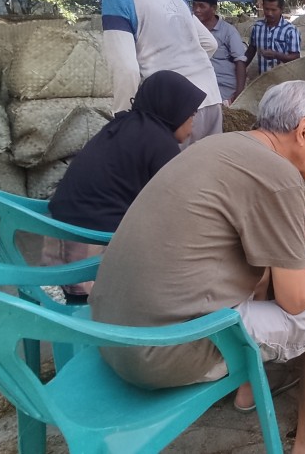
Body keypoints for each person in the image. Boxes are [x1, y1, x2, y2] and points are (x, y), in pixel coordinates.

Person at [91, 81, 305, 454]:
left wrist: (299, 235)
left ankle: (248, 389)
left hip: (111, 331)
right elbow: (295, 300)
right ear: (303, 129)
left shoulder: (222, 145)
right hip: (160, 352)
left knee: (261, 265)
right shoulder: (280, 176)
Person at [45, 71, 205, 303]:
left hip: (57, 233)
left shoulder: (123, 124)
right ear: (174, 109)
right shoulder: (160, 143)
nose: (193, 122)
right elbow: (178, 208)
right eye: (191, 114)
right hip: (92, 245)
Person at [78, 0, 222, 141]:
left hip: (173, 112)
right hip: (211, 99)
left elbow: (126, 70)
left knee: (170, 165)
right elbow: (210, 43)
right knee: (209, 163)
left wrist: (123, 120)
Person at [192, 0, 247, 104]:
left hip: (224, 91)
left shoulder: (228, 31)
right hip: (198, 88)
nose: (196, 10)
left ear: (213, 8)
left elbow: (240, 62)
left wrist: (239, 95)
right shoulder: (190, 30)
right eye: (194, 5)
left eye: (201, 6)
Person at [246, 0, 302, 75]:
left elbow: (296, 57)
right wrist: (241, 65)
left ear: (281, 9)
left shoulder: (290, 30)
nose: (269, 13)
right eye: (266, 9)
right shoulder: (257, 27)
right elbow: (251, 51)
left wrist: (276, 55)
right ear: (262, 6)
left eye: (273, 10)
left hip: (284, 79)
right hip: (263, 78)